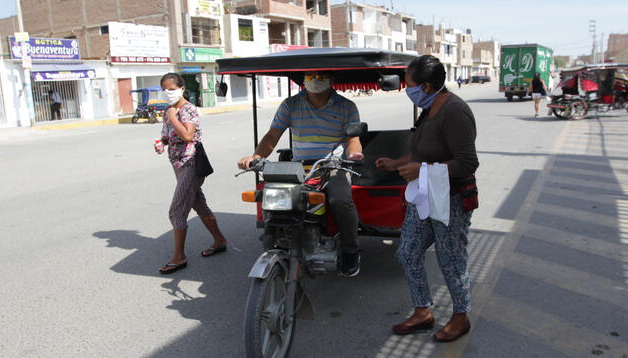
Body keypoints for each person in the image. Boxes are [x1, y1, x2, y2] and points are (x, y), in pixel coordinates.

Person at [375, 55, 479, 342]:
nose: (407, 90)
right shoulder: (429, 108)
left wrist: (421, 169)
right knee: (407, 252)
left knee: (451, 260)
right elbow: (424, 153)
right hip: (424, 196)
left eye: (410, 85)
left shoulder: (455, 111)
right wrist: (396, 164)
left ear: (429, 86)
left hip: (452, 200)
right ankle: (423, 312)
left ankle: (461, 317)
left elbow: (468, 163)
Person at [237, 71, 364, 277]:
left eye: (320, 76)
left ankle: (351, 250)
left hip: (332, 164)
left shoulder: (346, 106)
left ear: (332, 80)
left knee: (341, 200)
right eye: (310, 76)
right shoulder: (291, 105)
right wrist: (256, 156)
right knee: (271, 195)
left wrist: (354, 153)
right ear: (304, 80)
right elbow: (273, 135)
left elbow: (353, 138)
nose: (315, 80)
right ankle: (275, 236)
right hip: (298, 165)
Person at [157, 73, 228, 274]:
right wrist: (161, 143)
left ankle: (179, 257)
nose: (167, 93)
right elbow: (168, 136)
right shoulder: (168, 110)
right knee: (198, 203)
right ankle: (220, 240)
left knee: (176, 211)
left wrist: (173, 117)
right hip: (177, 163)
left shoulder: (188, 109)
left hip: (190, 163)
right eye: (164, 89)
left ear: (182, 89)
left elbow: (188, 135)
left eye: (171, 89)